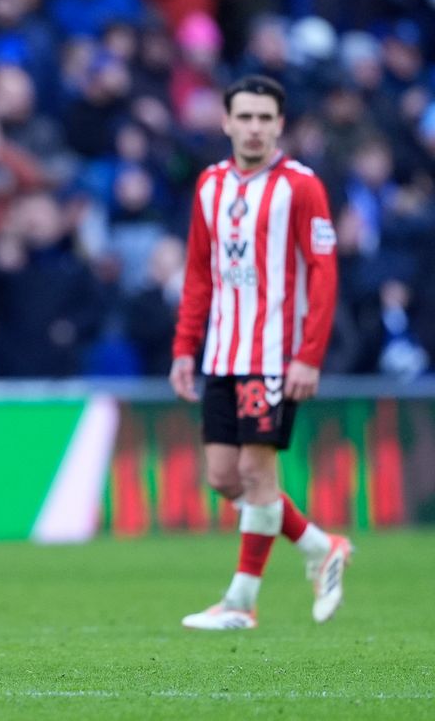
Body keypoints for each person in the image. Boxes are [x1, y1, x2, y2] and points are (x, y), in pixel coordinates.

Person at [169, 75, 351, 630]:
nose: (253, 128)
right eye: (244, 117)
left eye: (264, 118)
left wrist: (308, 355)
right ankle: (321, 547)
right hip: (221, 353)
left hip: (274, 353)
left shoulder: (301, 186)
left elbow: (323, 272)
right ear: (226, 122)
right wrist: (184, 349)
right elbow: (200, 274)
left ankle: (240, 603)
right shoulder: (209, 185)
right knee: (225, 477)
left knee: (257, 471)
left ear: (280, 125)